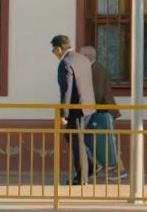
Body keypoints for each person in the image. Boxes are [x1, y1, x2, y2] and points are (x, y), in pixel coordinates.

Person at [51, 35, 95, 185]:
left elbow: (66, 90)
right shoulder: (82, 59)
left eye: (53, 50)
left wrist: (63, 113)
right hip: (88, 107)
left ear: (59, 49)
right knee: (72, 137)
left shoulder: (65, 63)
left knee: (76, 141)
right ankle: (92, 165)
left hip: (76, 109)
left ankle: (81, 178)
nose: (54, 54)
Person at [80, 46, 127, 180]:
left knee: (107, 143)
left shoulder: (97, 70)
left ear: (87, 57)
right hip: (98, 112)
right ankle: (100, 166)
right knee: (98, 141)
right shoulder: (93, 68)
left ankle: (118, 170)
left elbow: (97, 93)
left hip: (102, 112)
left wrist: (86, 108)